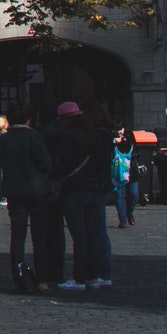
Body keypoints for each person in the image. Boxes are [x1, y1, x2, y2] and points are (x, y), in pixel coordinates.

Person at [52, 101, 114, 291]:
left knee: (79, 237)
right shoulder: (93, 135)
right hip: (93, 189)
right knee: (92, 235)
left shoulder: (69, 138)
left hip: (74, 190)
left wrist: (54, 176)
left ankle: (79, 278)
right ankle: (94, 275)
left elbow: (62, 165)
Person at [0, 111, 60, 292]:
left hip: (15, 191)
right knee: (39, 236)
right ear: (28, 119)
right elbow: (46, 163)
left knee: (17, 235)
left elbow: (2, 163)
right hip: (37, 190)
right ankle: (42, 279)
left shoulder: (5, 140)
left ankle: (19, 276)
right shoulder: (34, 137)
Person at [113, 127, 137, 229]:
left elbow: (132, 149)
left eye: (121, 129)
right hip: (118, 173)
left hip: (130, 172)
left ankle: (129, 212)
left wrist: (122, 141)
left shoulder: (128, 137)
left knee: (134, 194)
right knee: (119, 196)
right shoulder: (111, 140)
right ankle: (122, 220)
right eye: (117, 130)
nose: (119, 132)